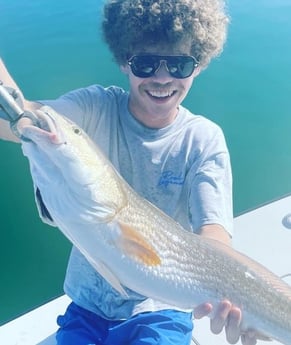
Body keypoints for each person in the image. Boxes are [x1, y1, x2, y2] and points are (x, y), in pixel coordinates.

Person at [0, 0, 259, 344]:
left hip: (162, 309)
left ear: (199, 66)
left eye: (180, 65)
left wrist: (238, 297)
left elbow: (213, 236)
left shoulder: (203, 139)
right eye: (146, 63)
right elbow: (25, 119)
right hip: (87, 306)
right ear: (124, 60)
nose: (163, 78)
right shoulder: (94, 108)